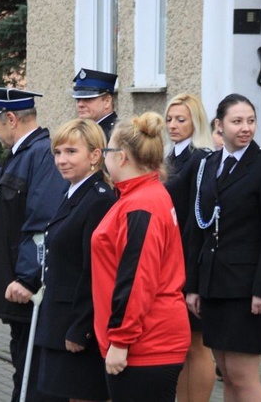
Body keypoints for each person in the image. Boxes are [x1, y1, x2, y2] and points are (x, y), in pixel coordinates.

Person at [185, 94, 261, 402]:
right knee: (226, 375)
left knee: (244, 377)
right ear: (219, 125)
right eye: (237, 121)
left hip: (246, 288)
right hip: (215, 285)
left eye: (250, 121)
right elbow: (198, 228)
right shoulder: (210, 163)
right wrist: (195, 285)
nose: (245, 128)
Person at [91, 112, 190, 401]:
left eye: (107, 150)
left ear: (121, 157)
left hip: (146, 344)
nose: (104, 158)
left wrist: (120, 341)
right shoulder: (141, 196)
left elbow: (137, 279)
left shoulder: (141, 204)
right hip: (146, 339)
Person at [0, 85, 67, 402]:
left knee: (31, 372)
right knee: (21, 365)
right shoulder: (21, 156)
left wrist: (28, 278)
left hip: (28, 290)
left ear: (12, 118)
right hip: (16, 288)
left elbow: (41, 222)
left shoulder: (40, 155)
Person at [35, 118, 116, 402]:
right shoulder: (73, 192)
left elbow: (94, 272)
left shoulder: (99, 200)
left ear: (95, 156)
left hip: (77, 323)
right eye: (58, 152)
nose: (61, 160)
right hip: (60, 317)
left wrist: (81, 328)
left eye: (71, 152)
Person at [162, 94, 215, 402]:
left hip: (189, 258)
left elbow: (197, 215)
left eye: (181, 119)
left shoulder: (200, 158)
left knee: (197, 344)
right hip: (171, 258)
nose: (173, 125)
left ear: (195, 121)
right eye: (170, 119)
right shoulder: (171, 157)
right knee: (180, 344)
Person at [72, 68, 118, 140]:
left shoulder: (117, 134)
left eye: (88, 99)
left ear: (107, 101)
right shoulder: (82, 131)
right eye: (78, 99)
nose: (80, 104)